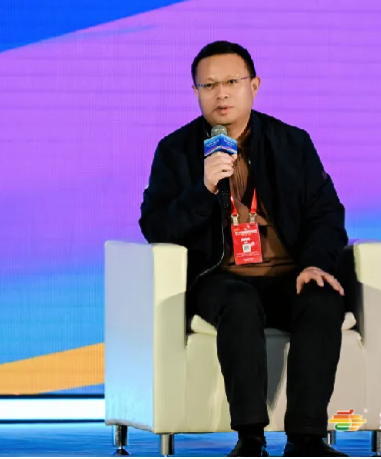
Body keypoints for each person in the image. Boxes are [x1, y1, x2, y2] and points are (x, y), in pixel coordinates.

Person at [139, 41, 350, 458]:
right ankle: (250, 437)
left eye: (232, 82)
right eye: (209, 85)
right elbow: (157, 227)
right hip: (219, 278)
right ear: (196, 92)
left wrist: (314, 264)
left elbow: (326, 213)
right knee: (238, 301)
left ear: (254, 85)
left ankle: (307, 439)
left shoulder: (292, 143)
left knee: (322, 298)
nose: (221, 93)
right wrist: (202, 189)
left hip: (288, 275)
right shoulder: (175, 150)